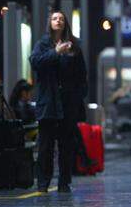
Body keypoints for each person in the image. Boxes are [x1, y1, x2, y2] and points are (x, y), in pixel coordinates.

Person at [29, 10, 88, 193]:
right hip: (48, 102)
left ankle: (64, 182)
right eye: (55, 18)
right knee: (45, 145)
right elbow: (35, 62)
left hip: (67, 103)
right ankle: (43, 182)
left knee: (66, 145)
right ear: (50, 23)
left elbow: (82, 75)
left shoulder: (74, 46)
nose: (58, 21)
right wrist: (55, 52)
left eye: (61, 19)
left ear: (66, 23)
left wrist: (78, 96)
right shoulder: (43, 44)